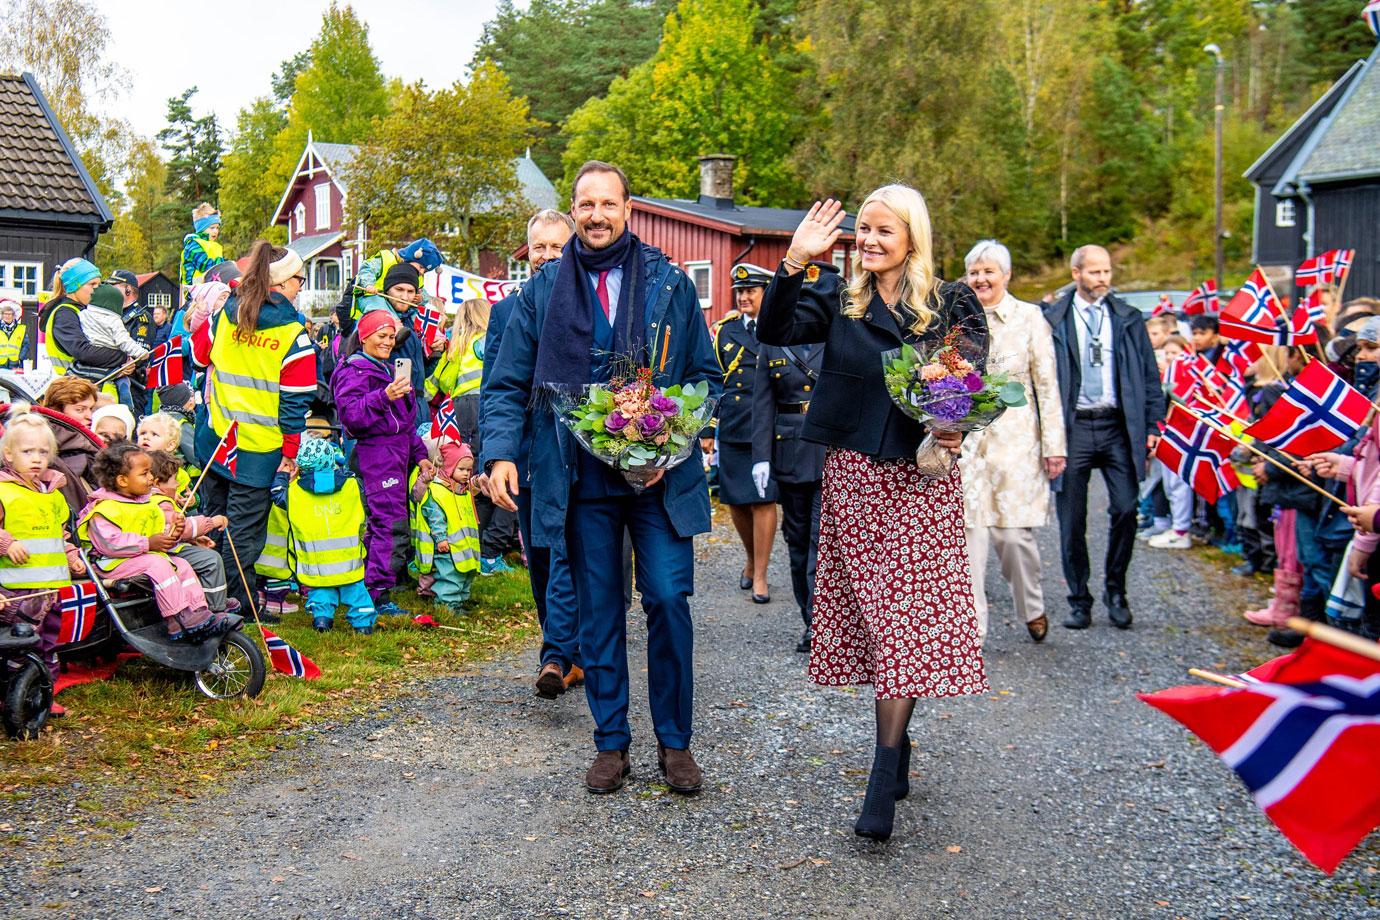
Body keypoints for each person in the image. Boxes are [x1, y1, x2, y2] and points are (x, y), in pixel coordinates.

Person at [757, 188, 989, 841]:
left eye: (884, 230)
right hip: (857, 474)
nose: (871, 240)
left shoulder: (951, 301)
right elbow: (773, 331)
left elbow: (969, 375)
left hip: (920, 479)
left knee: (905, 626)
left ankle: (883, 771)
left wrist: (953, 422)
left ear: (911, 235)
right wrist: (795, 262)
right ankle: (899, 741)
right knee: (878, 623)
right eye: (865, 230)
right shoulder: (837, 296)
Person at [482, 161, 720, 794]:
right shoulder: (541, 292)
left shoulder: (669, 283)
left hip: (658, 480)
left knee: (669, 600)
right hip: (579, 478)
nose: (594, 215)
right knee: (598, 611)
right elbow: (505, 383)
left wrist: (671, 438)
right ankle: (611, 742)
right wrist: (500, 453)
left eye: (606, 204)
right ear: (575, 211)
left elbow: (705, 376)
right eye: (584, 204)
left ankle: (676, 743)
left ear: (626, 209)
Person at [477, 208, 582, 699]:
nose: (547, 256)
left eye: (556, 246)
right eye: (538, 247)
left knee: (565, 552)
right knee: (539, 558)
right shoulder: (505, 311)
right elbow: (498, 388)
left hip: (579, 455)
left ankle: (556, 654)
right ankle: (568, 649)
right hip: (529, 456)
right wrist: (495, 459)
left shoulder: (589, 304)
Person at [190, 240, 316, 618]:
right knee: (243, 537)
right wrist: (290, 455)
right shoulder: (294, 335)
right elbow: (295, 404)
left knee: (211, 524)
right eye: (300, 279)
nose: (301, 287)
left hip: (216, 441)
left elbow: (197, 358)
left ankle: (201, 602)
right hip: (258, 451)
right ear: (282, 282)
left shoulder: (225, 314)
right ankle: (236, 611)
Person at [1043, 245, 1165, 630]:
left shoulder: (1128, 318)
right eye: (1095, 272)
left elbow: (1149, 376)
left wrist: (1152, 426)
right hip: (1074, 426)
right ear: (1076, 273)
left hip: (1118, 425)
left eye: (1107, 272)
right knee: (1072, 519)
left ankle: (1117, 589)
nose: (1103, 279)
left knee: (1127, 507)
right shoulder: (1054, 319)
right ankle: (1079, 599)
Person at [959, 240, 1066, 644]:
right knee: (970, 540)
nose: (981, 279)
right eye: (974, 272)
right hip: (968, 443)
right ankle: (974, 635)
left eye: (988, 271)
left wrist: (1054, 446)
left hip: (1015, 443)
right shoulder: (959, 317)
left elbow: (1047, 385)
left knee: (1012, 537)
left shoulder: (1029, 317)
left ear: (1006, 275)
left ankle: (1031, 606)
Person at [750, 264, 831, 653]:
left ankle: (823, 626)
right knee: (798, 542)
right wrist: (760, 457)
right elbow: (762, 402)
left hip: (830, 448)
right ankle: (808, 616)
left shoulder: (834, 332)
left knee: (822, 540)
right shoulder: (772, 339)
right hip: (791, 451)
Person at [77, 443, 232, 642]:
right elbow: (111, 544)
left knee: (181, 564)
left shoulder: (144, 503)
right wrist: (147, 543)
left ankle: (199, 611)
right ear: (123, 480)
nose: (151, 478)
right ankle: (177, 616)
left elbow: (158, 531)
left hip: (139, 557)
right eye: (145, 474)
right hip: (111, 563)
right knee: (159, 564)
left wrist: (174, 531)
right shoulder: (105, 509)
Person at [333, 308, 433, 616]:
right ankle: (376, 595)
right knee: (389, 525)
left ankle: (372, 590)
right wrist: (383, 396)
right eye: (381, 336)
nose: (388, 342)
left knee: (388, 524)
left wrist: (422, 456)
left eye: (391, 337)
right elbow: (350, 417)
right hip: (376, 456)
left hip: (398, 454)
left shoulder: (388, 369)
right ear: (364, 337)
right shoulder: (354, 370)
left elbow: (404, 423)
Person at [0, 409, 89, 711]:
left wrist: (72, 556)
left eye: (43, 451)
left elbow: (58, 535)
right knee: (20, 644)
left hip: (50, 590)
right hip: (18, 592)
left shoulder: (52, 494)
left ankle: (42, 694)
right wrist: (6, 542)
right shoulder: (5, 493)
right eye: (27, 451)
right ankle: (13, 694)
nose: (36, 458)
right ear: (9, 455)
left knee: (48, 644)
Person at [711, 262, 778, 603]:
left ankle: (762, 575)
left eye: (751, 290)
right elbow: (713, 380)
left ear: (767, 293)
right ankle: (751, 559)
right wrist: (709, 428)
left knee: (763, 499)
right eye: (740, 291)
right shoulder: (725, 331)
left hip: (767, 426)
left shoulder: (779, 327)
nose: (743, 296)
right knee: (737, 502)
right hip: (735, 424)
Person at [272, 436, 376, 634]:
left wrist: (283, 475)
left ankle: (322, 620)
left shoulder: (293, 493)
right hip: (348, 560)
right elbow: (367, 501)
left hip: (316, 563)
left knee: (320, 590)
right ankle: (363, 623)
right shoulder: (353, 487)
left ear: (301, 467)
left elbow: (277, 494)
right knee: (356, 592)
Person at [146, 450, 235, 615]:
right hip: (165, 552)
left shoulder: (158, 500)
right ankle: (216, 608)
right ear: (158, 483)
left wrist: (194, 539)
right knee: (211, 560)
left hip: (169, 547)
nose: (177, 485)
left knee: (204, 554)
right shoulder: (159, 502)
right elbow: (180, 527)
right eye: (174, 480)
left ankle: (210, 598)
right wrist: (211, 522)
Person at [411, 439, 480, 613]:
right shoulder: (439, 491)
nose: (466, 473)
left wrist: (479, 481)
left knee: (466, 574)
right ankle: (446, 606)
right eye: (461, 469)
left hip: (465, 546)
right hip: (447, 547)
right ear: (449, 467)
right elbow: (436, 518)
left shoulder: (462, 489)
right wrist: (440, 538)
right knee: (450, 577)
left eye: (468, 469)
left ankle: (460, 602)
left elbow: (474, 489)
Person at [39, 258, 128, 380]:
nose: (98, 289)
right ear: (74, 286)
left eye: (99, 284)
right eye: (92, 284)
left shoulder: (85, 311)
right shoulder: (64, 314)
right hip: (74, 392)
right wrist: (124, 357)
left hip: (89, 390)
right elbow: (84, 352)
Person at [74, 283, 148, 408]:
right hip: (110, 362)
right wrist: (141, 353)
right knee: (123, 381)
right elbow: (124, 341)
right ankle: (127, 406)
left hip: (87, 360)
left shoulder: (83, 315)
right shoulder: (114, 321)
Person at [39, 376, 100, 512]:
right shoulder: (51, 453)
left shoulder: (82, 446)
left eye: (91, 409)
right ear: (57, 410)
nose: (89, 416)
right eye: (80, 409)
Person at [351, 238, 443, 319]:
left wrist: (421, 298)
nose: (422, 272)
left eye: (425, 271)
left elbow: (423, 292)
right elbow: (368, 269)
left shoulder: (418, 276)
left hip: (395, 308)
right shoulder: (387, 258)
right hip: (371, 297)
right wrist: (368, 284)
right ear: (413, 256)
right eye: (421, 267)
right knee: (388, 318)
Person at [181, 203, 224, 290]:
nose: (215, 231)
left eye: (217, 228)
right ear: (201, 228)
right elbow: (204, 265)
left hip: (212, 284)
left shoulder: (215, 246)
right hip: (195, 288)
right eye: (212, 228)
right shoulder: (193, 244)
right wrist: (225, 265)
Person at [0, 298, 27, 369]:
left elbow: (25, 346)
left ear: (13, 316)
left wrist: (20, 360)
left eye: (10, 314)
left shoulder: (21, 329)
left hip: (15, 365)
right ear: (2, 315)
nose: (7, 316)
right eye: (5, 314)